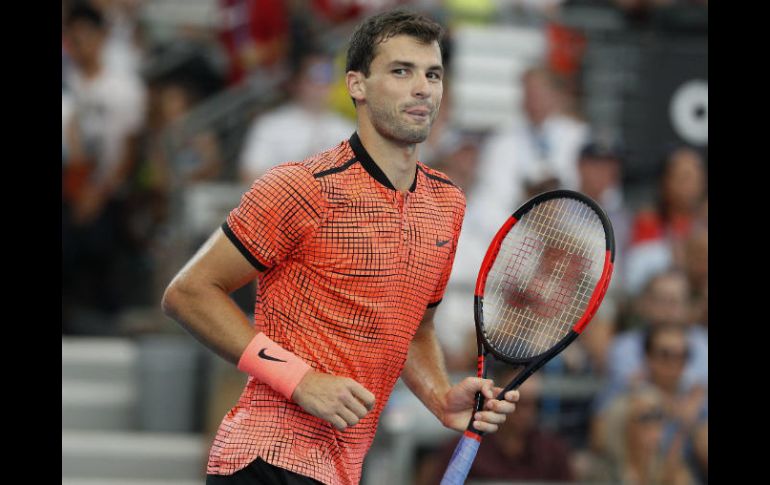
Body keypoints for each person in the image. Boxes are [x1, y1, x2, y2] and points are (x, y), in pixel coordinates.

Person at [162, 9, 520, 485]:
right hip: (268, 458)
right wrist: (300, 380)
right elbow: (188, 292)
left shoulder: (446, 204)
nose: (422, 88)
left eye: (432, 74)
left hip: (342, 470)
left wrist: (439, 397)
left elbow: (414, 330)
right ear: (357, 85)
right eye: (401, 71)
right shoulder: (301, 187)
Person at [421, 374, 574, 484]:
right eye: (518, 403)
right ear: (497, 400)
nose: (526, 412)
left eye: (532, 404)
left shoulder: (554, 450)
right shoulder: (459, 448)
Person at [238, 50, 355, 184]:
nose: (322, 84)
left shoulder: (347, 129)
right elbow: (250, 174)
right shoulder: (269, 125)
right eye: (315, 76)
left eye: (327, 76)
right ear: (297, 80)